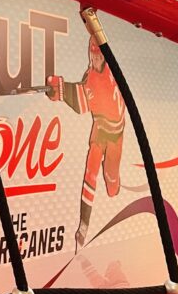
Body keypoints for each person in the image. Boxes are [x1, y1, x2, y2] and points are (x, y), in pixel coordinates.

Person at [46, 37, 126, 251]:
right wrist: (59, 91)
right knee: (90, 174)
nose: (95, 57)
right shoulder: (90, 76)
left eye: (98, 53)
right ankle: (83, 226)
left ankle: (116, 184)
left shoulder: (110, 75)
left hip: (116, 136)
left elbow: (87, 98)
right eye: (92, 53)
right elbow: (83, 101)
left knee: (111, 185)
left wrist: (61, 90)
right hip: (100, 130)